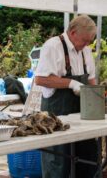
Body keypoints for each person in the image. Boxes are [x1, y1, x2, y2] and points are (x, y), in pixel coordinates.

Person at [35, 15, 98, 178]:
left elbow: (91, 79)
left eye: (89, 41)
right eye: (85, 40)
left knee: (88, 160)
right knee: (58, 163)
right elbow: (41, 79)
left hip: (82, 117)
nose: (86, 44)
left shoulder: (85, 49)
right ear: (73, 32)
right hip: (56, 117)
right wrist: (71, 83)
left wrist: (97, 98)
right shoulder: (52, 46)